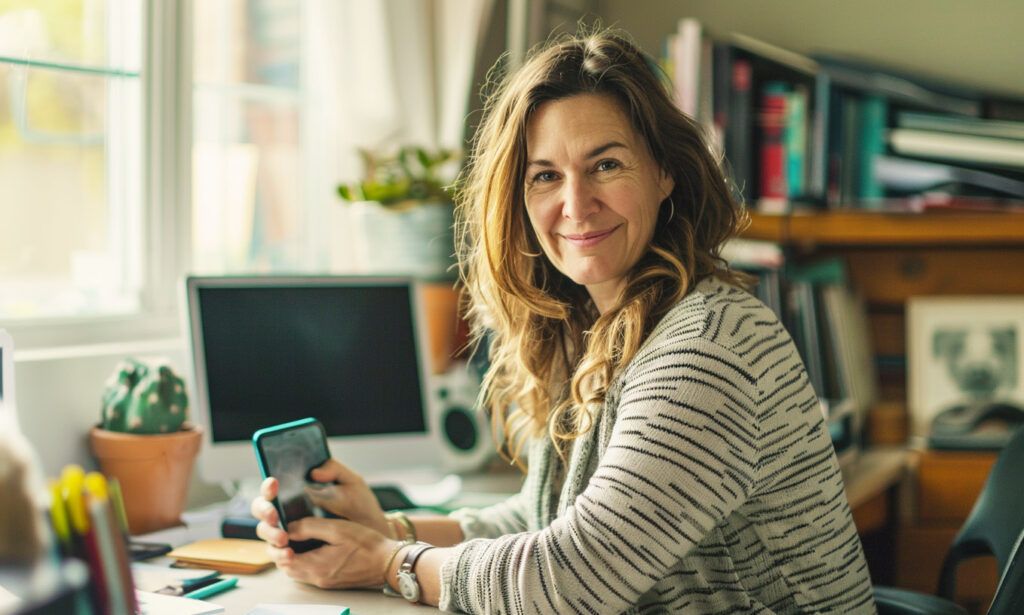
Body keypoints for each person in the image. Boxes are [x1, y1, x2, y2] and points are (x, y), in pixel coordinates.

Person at [251, 29, 876, 614]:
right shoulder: (595, 328)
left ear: (665, 174)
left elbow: (574, 574)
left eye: (606, 165)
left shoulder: (706, 348)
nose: (575, 204)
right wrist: (387, 528)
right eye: (546, 176)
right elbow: (542, 519)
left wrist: (388, 563)